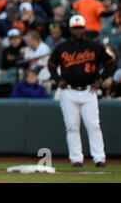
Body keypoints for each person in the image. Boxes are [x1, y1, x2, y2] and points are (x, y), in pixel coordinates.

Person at [47, 15, 116, 168]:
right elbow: (51, 65)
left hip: (89, 91)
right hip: (69, 91)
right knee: (72, 126)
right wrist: (58, 80)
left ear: (84, 28)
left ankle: (99, 158)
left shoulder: (94, 46)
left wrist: (101, 79)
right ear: (70, 29)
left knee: (94, 125)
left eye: (80, 28)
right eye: (75, 28)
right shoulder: (62, 47)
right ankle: (76, 159)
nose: (78, 31)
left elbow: (110, 63)